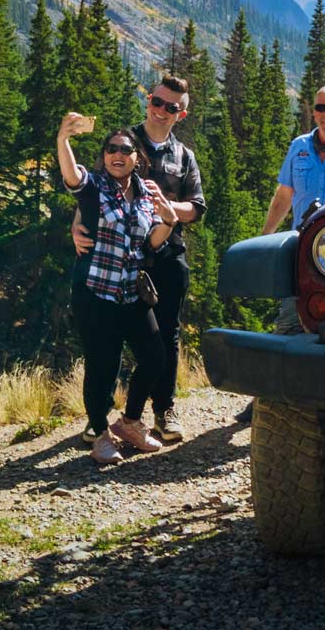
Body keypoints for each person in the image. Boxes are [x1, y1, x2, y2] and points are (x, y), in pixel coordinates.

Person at [72, 76, 205, 444]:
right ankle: (99, 418)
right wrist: (77, 224)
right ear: (148, 101)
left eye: (171, 107)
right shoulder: (123, 141)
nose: (161, 110)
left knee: (166, 336)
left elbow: (197, 207)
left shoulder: (184, 156)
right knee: (108, 340)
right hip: (119, 258)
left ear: (182, 114)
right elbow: (91, 189)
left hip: (165, 253)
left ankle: (163, 410)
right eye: (157, 102)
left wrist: (168, 210)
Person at [236, 84, 325, 424]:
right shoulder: (299, 147)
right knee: (288, 321)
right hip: (301, 248)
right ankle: (267, 399)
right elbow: (285, 194)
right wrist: (267, 237)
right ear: (313, 111)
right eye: (321, 107)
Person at [57, 113, 178, 465]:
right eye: (111, 149)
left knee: (156, 357)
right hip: (96, 293)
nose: (117, 155)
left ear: (137, 158)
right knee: (102, 366)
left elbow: (152, 241)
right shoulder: (93, 187)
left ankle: (129, 422)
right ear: (104, 155)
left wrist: (168, 219)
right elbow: (71, 174)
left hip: (131, 293)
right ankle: (99, 433)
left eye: (125, 149)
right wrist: (63, 138)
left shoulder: (146, 194)